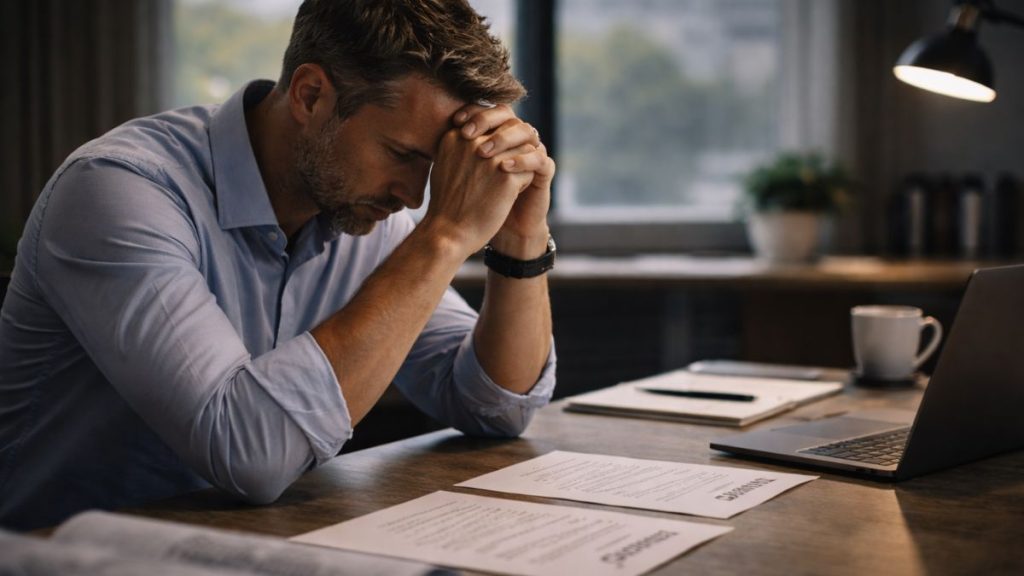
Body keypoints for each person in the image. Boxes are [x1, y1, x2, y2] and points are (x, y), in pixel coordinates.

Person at [0, 0, 557, 531]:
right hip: (58, 553)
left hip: (246, 548)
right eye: (403, 155)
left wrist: (520, 234)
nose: (413, 197)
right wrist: (446, 235)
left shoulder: (362, 211)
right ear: (311, 95)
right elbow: (249, 453)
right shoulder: (118, 190)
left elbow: (495, 406)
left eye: (434, 167)